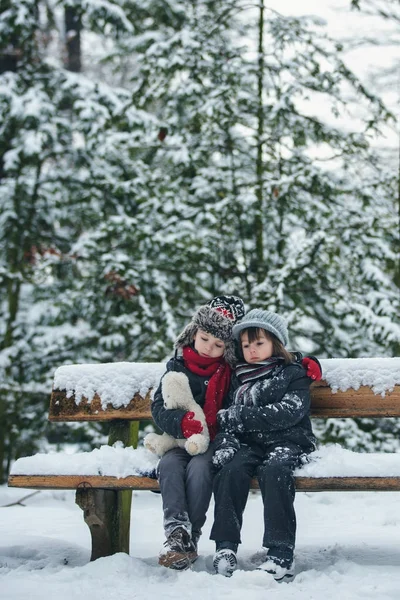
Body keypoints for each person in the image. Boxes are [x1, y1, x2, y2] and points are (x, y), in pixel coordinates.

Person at [210, 308, 320, 581]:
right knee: (231, 470)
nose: (252, 350)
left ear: (276, 343)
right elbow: (225, 421)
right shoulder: (238, 377)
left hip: (288, 442)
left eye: (259, 343)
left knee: (275, 472)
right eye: (246, 345)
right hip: (250, 445)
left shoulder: (293, 373)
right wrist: (226, 443)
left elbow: (288, 412)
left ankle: (280, 553)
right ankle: (225, 547)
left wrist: (241, 417)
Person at [151, 295, 245, 570]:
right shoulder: (176, 366)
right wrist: (181, 423)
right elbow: (158, 408)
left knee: (201, 469)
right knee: (168, 465)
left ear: (227, 349)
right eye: (205, 338)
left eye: (218, 345)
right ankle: (176, 532)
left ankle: (190, 537)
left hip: (213, 442)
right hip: (180, 441)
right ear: (194, 332)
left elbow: (272, 358)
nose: (208, 348)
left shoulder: (231, 373)